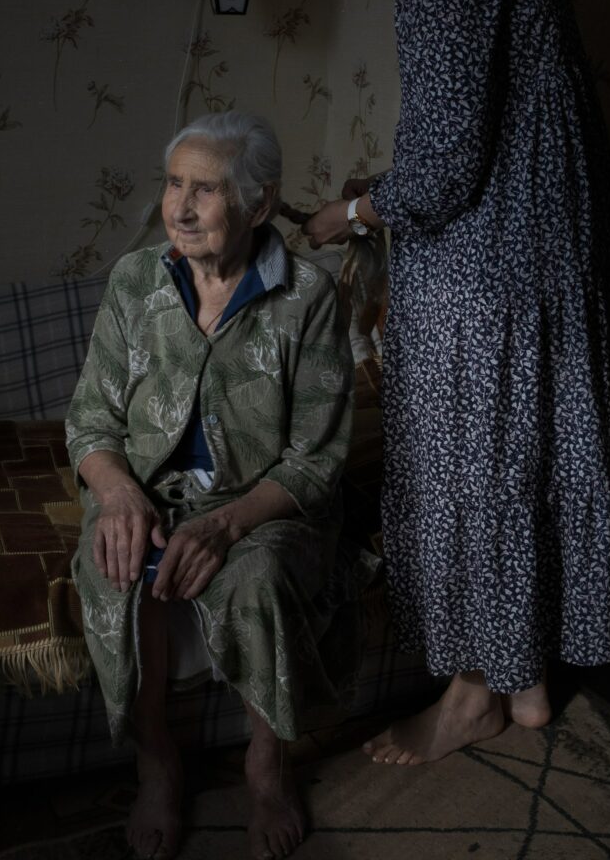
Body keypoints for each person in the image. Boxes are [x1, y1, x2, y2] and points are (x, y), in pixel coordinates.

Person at [261, 0, 610, 766]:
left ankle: (473, 693)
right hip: (543, 262)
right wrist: (379, 198)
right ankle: (527, 688)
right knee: (523, 465)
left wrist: (349, 215)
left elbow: (440, 170)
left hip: (490, 279)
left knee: (472, 476)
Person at [67, 110, 377, 860]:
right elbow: (90, 422)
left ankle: (267, 767)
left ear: (260, 205)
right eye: (175, 183)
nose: (179, 206)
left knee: (259, 578)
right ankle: (156, 762)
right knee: (116, 569)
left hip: (264, 503)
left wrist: (230, 525)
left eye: (205, 190)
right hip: (145, 490)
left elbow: (315, 456)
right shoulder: (135, 280)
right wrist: (117, 494)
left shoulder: (308, 295)